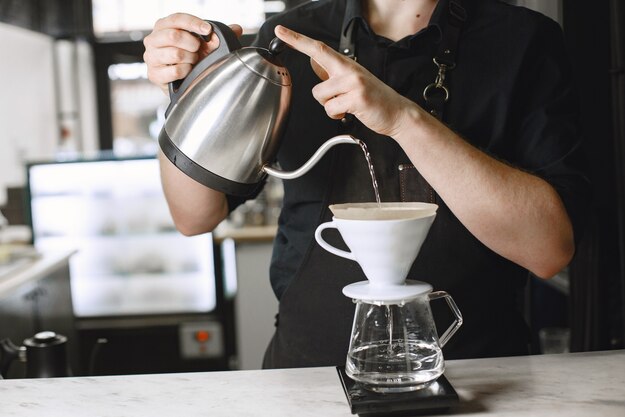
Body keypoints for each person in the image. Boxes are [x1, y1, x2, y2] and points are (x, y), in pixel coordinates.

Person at [143, 0, 590, 368]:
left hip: (486, 375)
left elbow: (549, 249)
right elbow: (194, 215)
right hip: (308, 374)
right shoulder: (286, 39)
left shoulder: (524, 40)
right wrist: (188, 94)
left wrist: (402, 118)